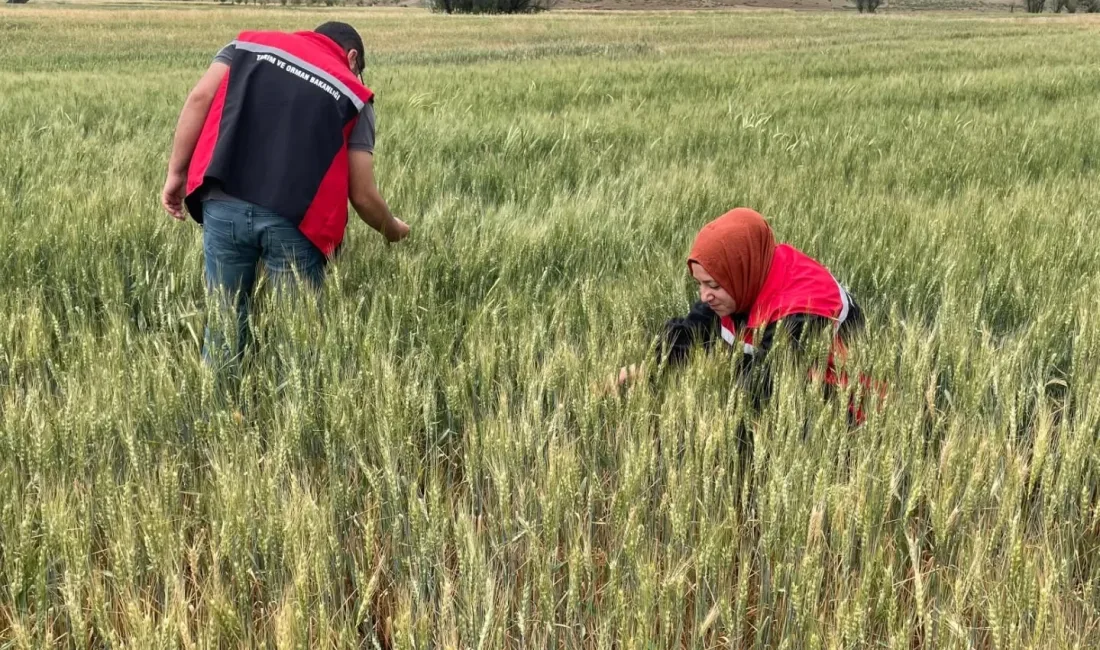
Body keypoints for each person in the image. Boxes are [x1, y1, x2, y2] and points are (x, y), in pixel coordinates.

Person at [160, 21, 408, 363]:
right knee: (297, 341)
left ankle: (217, 409)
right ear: (352, 57)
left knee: (223, 324)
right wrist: (392, 229)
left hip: (223, 201)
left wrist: (176, 173)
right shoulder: (354, 94)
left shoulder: (244, 47)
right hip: (296, 223)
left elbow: (200, 97)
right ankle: (292, 413)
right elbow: (362, 194)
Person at [614, 207, 880, 423]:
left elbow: (764, 383)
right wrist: (648, 368)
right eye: (700, 283)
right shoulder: (748, 276)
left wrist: (702, 428)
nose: (705, 295)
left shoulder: (801, 310)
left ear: (741, 271)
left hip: (845, 412)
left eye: (714, 285)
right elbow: (696, 328)